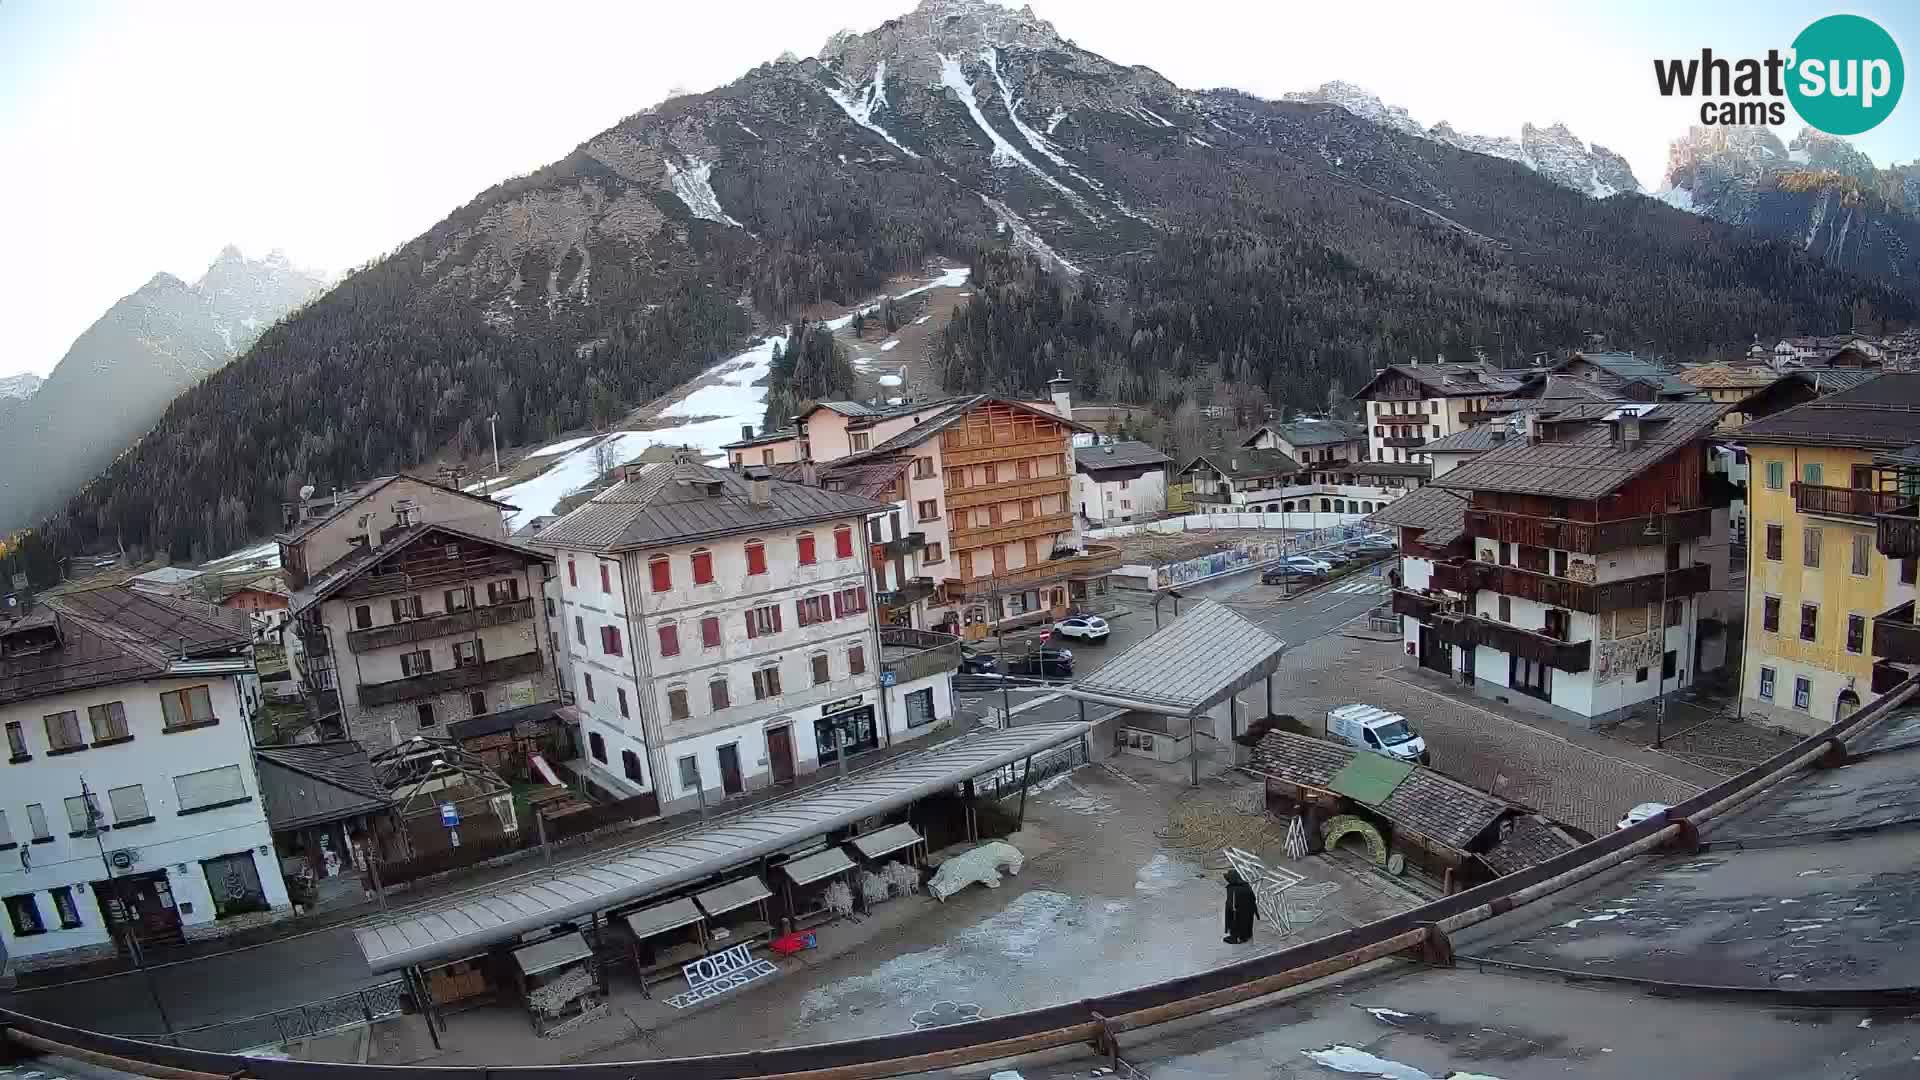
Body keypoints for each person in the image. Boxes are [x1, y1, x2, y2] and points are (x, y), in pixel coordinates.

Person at [1222, 868, 1257, 944]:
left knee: (1237, 922)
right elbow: (1253, 899)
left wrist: (1229, 913)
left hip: (1238, 912)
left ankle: (1238, 938)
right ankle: (1248, 935)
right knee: (1247, 922)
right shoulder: (1247, 886)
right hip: (1249, 911)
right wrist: (1256, 913)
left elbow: (1231, 905)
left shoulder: (1233, 889)